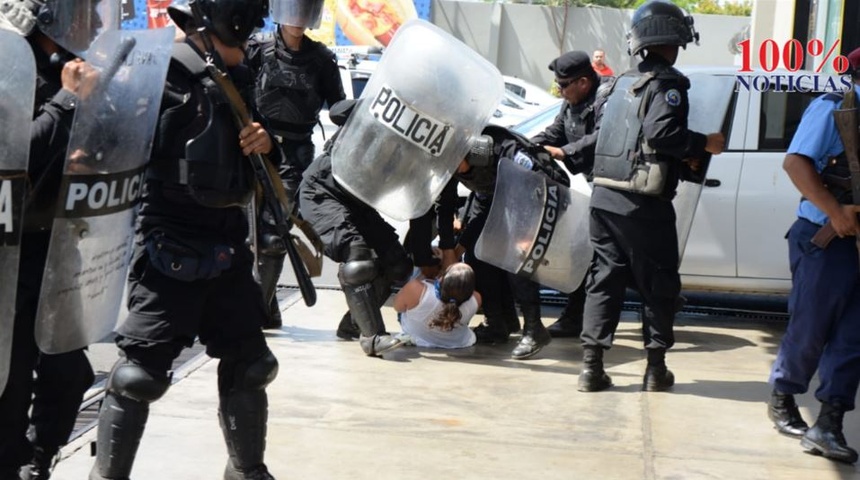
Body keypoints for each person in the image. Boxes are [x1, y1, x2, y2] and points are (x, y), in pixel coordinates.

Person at [88, 2, 281, 479]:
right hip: (169, 244)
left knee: (251, 364)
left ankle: (247, 470)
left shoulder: (241, 75)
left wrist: (266, 141)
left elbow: (270, 151)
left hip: (227, 244)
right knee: (139, 377)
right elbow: (106, 146)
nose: (254, 36)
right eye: (246, 27)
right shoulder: (159, 71)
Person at [578, 0, 724, 393]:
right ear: (672, 39)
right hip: (642, 206)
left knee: (604, 280)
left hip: (605, 198)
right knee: (658, 282)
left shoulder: (620, 82)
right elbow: (663, 135)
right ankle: (655, 369)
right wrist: (703, 144)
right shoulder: (668, 83)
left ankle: (591, 369)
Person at [0, 1, 113, 478]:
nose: (97, 24)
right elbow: (14, 154)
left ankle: (39, 454)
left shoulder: (83, 75)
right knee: (10, 383)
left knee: (69, 374)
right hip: (10, 255)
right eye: (84, 11)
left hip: (58, 247)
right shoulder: (9, 71)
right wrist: (66, 101)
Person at [765, 46, 860, 465]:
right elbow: (795, 163)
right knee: (811, 327)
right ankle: (783, 397)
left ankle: (829, 422)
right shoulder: (833, 107)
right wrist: (836, 211)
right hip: (826, 237)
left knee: (854, 338)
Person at [427, 125, 571, 360]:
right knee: (476, 253)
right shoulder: (453, 162)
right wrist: (456, 248)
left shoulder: (505, 152)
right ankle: (498, 322)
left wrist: (527, 233)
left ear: (467, 154)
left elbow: (543, 185)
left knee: (516, 256)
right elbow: (475, 202)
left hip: (547, 195)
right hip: (506, 201)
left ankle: (534, 329)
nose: (453, 172)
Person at [245, 0, 345, 329]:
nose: (298, 18)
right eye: (293, 8)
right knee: (247, 233)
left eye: (306, 10)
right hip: (253, 148)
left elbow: (340, 109)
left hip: (295, 156)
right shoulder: (256, 49)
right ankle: (267, 307)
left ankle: (257, 312)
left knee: (274, 236)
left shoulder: (322, 59)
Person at [299, 98, 412, 358]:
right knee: (358, 257)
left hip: (359, 198)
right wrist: (377, 104)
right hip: (323, 189)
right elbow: (337, 111)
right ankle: (373, 336)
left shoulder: (416, 136)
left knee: (397, 264)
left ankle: (354, 323)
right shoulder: (382, 108)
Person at [531, 50, 611, 339]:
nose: (560, 92)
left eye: (564, 86)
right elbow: (556, 132)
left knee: (609, 255)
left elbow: (602, 137)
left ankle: (663, 296)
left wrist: (565, 153)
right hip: (594, 188)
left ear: (583, 83)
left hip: (615, 188)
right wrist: (526, 146)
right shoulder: (571, 103)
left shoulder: (606, 99)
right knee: (591, 253)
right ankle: (576, 318)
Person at [393, 262, 482, 349]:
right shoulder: (476, 299)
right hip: (458, 342)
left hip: (418, 336)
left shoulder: (416, 289)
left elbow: (397, 307)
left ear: (441, 279)